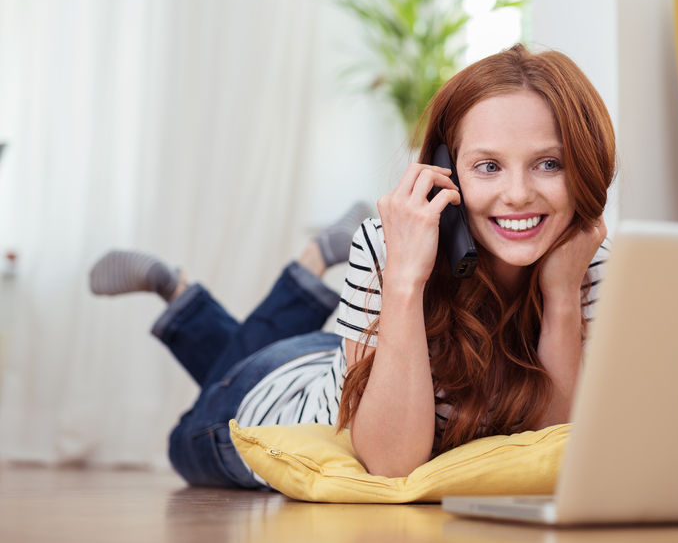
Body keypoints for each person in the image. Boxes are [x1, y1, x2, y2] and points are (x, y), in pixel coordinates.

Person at [90, 43, 616, 487]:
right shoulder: (394, 246)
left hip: (352, 359)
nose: (519, 194)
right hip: (277, 393)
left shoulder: (583, 260)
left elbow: (549, 454)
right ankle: (226, 285)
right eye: (488, 166)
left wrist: (561, 297)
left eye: (550, 164)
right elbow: (390, 465)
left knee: (291, 349)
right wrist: (405, 277)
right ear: (443, 170)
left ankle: (204, 289)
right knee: (185, 438)